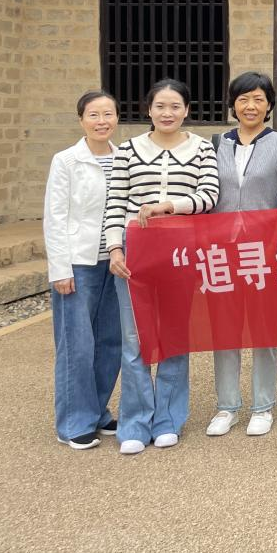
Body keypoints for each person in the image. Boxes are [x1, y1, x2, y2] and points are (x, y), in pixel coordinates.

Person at [104, 78, 220, 455]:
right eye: (160, 106)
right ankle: (135, 422)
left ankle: (168, 419)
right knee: (134, 338)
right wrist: (115, 249)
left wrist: (170, 207)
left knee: (174, 336)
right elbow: (115, 202)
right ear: (148, 110)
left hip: (180, 253)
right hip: (135, 254)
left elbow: (209, 196)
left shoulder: (202, 148)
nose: (167, 113)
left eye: (175, 106)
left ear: (187, 111)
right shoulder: (127, 151)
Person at [205, 72, 277, 439]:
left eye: (258, 99)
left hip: (263, 252)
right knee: (224, 330)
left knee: (264, 329)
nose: (250, 106)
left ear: (269, 104)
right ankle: (227, 406)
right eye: (243, 99)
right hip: (221, 251)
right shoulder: (215, 144)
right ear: (233, 104)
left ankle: (262, 405)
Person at [44, 90, 122, 450]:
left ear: (117, 118)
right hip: (78, 263)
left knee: (110, 341)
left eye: (108, 114)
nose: (101, 121)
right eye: (93, 115)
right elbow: (55, 217)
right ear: (81, 120)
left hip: (115, 262)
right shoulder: (66, 161)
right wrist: (60, 268)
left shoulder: (124, 158)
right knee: (77, 344)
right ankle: (73, 422)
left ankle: (97, 411)